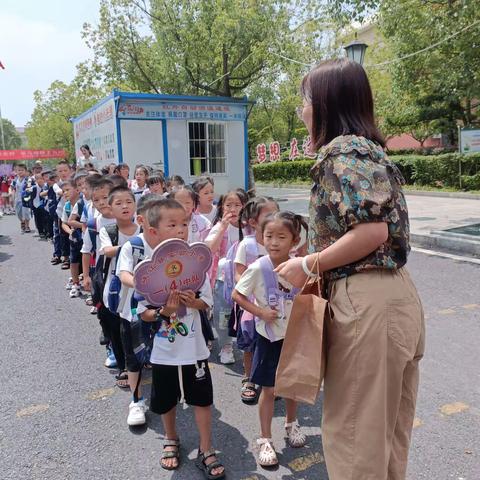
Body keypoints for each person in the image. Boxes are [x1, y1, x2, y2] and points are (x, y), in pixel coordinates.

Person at [275, 58, 425, 480]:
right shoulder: (368, 150)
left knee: (355, 442)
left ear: (324, 103)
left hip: (366, 302)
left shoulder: (341, 151)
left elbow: (371, 231)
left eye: (304, 100)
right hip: (391, 296)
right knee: (385, 441)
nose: (302, 110)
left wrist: (307, 262)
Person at [120, 198, 225, 478]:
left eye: (185, 224)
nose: (181, 230)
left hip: (195, 348)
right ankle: (170, 439)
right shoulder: (148, 271)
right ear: (152, 231)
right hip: (162, 350)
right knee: (165, 399)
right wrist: (163, 312)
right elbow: (141, 313)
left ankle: (206, 448)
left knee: (202, 399)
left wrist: (194, 303)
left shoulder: (195, 264)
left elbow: (207, 304)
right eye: (173, 224)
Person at [232, 211, 308, 467]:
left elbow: (310, 292)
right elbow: (238, 295)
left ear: (294, 240)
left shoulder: (300, 266)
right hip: (268, 337)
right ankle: (265, 438)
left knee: (291, 385)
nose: (274, 242)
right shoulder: (257, 267)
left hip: (294, 335)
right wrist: (260, 312)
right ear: (261, 239)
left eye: (281, 237)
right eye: (269, 236)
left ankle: (291, 423)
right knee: (269, 388)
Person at [114, 194, 159, 425]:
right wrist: (142, 284)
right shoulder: (133, 246)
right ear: (142, 220)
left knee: (161, 354)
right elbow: (123, 274)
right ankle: (136, 400)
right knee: (134, 358)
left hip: (162, 311)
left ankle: (163, 396)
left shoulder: (169, 245)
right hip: (132, 313)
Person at [233, 196, 279, 403]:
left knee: (275, 341)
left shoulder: (280, 242)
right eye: (269, 215)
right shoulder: (247, 245)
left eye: (276, 212)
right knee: (251, 342)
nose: (274, 218)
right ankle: (249, 379)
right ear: (253, 222)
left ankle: (271, 380)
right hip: (252, 303)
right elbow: (238, 274)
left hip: (276, 303)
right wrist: (251, 292)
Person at [99, 185, 140, 390]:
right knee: (118, 327)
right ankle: (124, 364)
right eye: (119, 203)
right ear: (110, 208)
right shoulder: (108, 230)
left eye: (129, 202)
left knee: (140, 323)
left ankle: (141, 357)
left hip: (139, 285)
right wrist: (130, 246)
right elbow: (107, 251)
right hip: (116, 287)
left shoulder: (143, 227)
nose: (125, 206)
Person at [205, 189, 248, 365]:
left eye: (237, 205)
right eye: (228, 205)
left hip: (246, 278)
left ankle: (247, 344)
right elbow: (209, 249)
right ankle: (226, 346)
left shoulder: (250, 227)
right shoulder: (218, 227)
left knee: (246, 313)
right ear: (222, 207)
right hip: (223, 278)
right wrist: (222, 228)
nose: (233, 209)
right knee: (222, 314)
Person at [60, 179, 83, 298]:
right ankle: (75, 284)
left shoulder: (83, 203)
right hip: (74, 237)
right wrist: (70, 232)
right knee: (73, 261)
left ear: (77, 190)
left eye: (68, 190)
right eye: (63, 191)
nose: (65, 193)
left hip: (85, 236)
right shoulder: (67, 206)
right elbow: (64, 223)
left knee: (86, 261)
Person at [11, 163, 32, 233]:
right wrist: (12, 196)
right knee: (18, 213)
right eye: (18, 170)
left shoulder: (28, 179)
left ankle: (27, 226)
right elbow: (13, 188)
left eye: (22, 170)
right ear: (16, 171)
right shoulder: (15, 180)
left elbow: (30, 187)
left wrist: (28, 192)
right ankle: (22, 221)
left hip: (26, 199)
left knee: (26, 213)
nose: (20, 172)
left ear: (25, 171)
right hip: (17, 200)